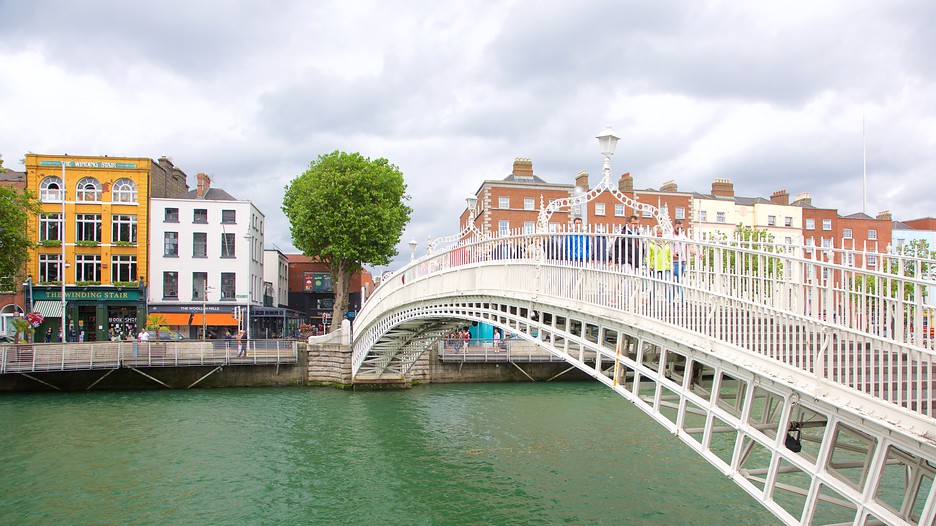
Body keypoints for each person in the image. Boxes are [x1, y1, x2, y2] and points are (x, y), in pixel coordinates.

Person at [646, 227, 673, 302]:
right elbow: (648, 256)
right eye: (658, 233)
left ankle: (669, 302)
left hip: (666, 266)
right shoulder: (651, 244)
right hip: (656, 267)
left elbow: (669, 255)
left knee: (667, 285)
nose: (659, 235)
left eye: (661, 233)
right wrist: (649, 266)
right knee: (656, 286)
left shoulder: (666, 243)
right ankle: (650, 300)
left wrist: (671, 265)